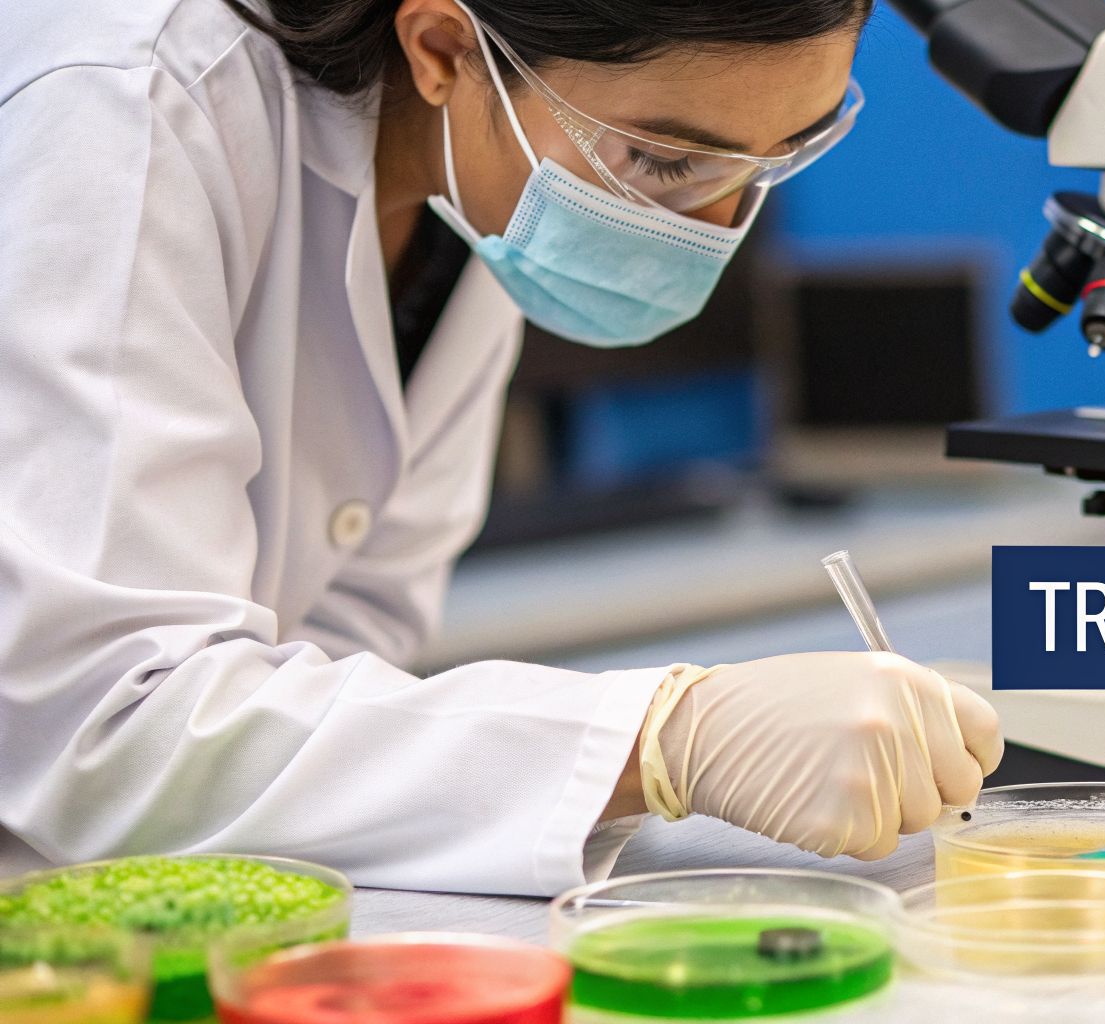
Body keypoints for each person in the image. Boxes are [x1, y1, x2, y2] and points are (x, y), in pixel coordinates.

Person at [0, 0, 1002, 894]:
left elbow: (339, 646)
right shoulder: (124, 103)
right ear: (441, 48)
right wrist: (659, 739)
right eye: (664, 159)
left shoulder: (477, 175)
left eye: (777, 157)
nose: (723, 222)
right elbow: (103, 728)